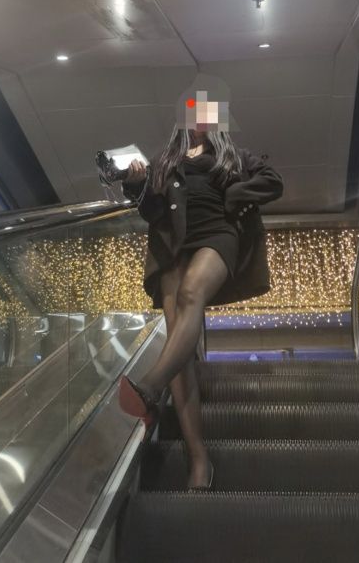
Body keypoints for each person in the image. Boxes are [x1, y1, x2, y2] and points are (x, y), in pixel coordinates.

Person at [118, 89, 283, 489]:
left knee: (192, 293)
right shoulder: (164, 161)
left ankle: (151, 386)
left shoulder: (235, 156)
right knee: (181, 351)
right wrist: (137, 185)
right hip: (172, 246)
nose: (202, 116)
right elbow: (153, 212)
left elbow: (273, 182)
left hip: (218, 234)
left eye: (210, 111)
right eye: (194, 109)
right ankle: (199, 463)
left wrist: (235, 195)